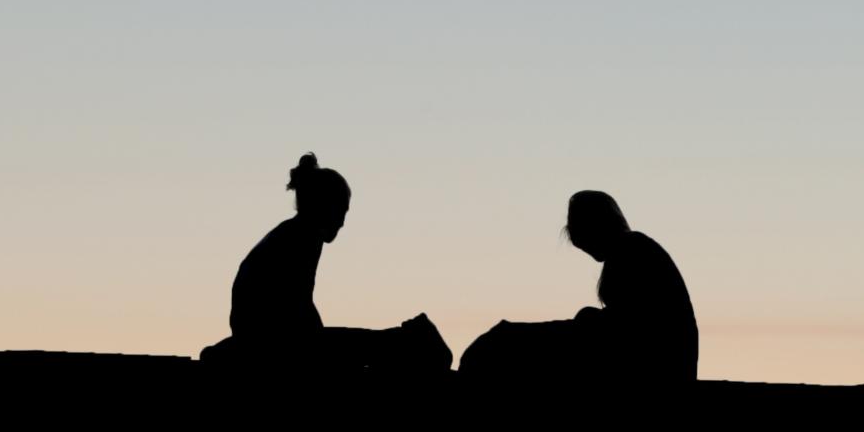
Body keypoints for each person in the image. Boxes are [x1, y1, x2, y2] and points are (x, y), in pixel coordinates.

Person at [202, 153, 451, 375]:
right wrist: (326, 350)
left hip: (266, 339)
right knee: (373, 345)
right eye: (341, 210)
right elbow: (298, 308)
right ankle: (411, 340)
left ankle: (407, 339)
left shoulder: (293, 233)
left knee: (361, 344)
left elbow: (299, 307)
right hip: (275, 344)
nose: (342, 222)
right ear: (324, 207)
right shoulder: (301, 238)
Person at [457, 191, 696, 387]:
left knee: (509, 342)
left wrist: (587, 320)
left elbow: (630, 329)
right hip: (663, 365)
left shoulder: (632, 251)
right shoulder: (634, 250)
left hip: (656, 370)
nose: (587, 251)